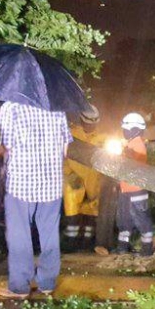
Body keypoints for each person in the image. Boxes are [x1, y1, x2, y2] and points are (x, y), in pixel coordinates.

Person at [0, 100, 73, 298]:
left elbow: (0, 147)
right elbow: (65, 148)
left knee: (19, 235)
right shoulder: (56, 107)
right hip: (52, 184)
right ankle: (48, 283)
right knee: (50, 234)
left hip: (21, 184)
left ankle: (19, 286)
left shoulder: (10, 107)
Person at [63, 105, 105, 253]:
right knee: (72, 211)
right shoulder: (71, 134)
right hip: (74, 178)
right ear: (82, 120)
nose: (91, 125)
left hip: (94, 178)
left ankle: (88, 242)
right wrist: (69, 173)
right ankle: (71, 242)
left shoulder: (103, 137)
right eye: (88, 121)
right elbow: (62, 158)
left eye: (94, 122)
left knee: (92, 210)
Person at [115, 112, 155, 256]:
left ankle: (147, 249)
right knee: (124, 221)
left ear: (133, 129)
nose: (124, 132)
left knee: (141, 220)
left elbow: (134, 164)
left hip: (136, 191)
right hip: (127, 190)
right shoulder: (131, 144)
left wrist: (124, 153)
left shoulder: (137, 144)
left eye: (125, 129)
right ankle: (122, 248)